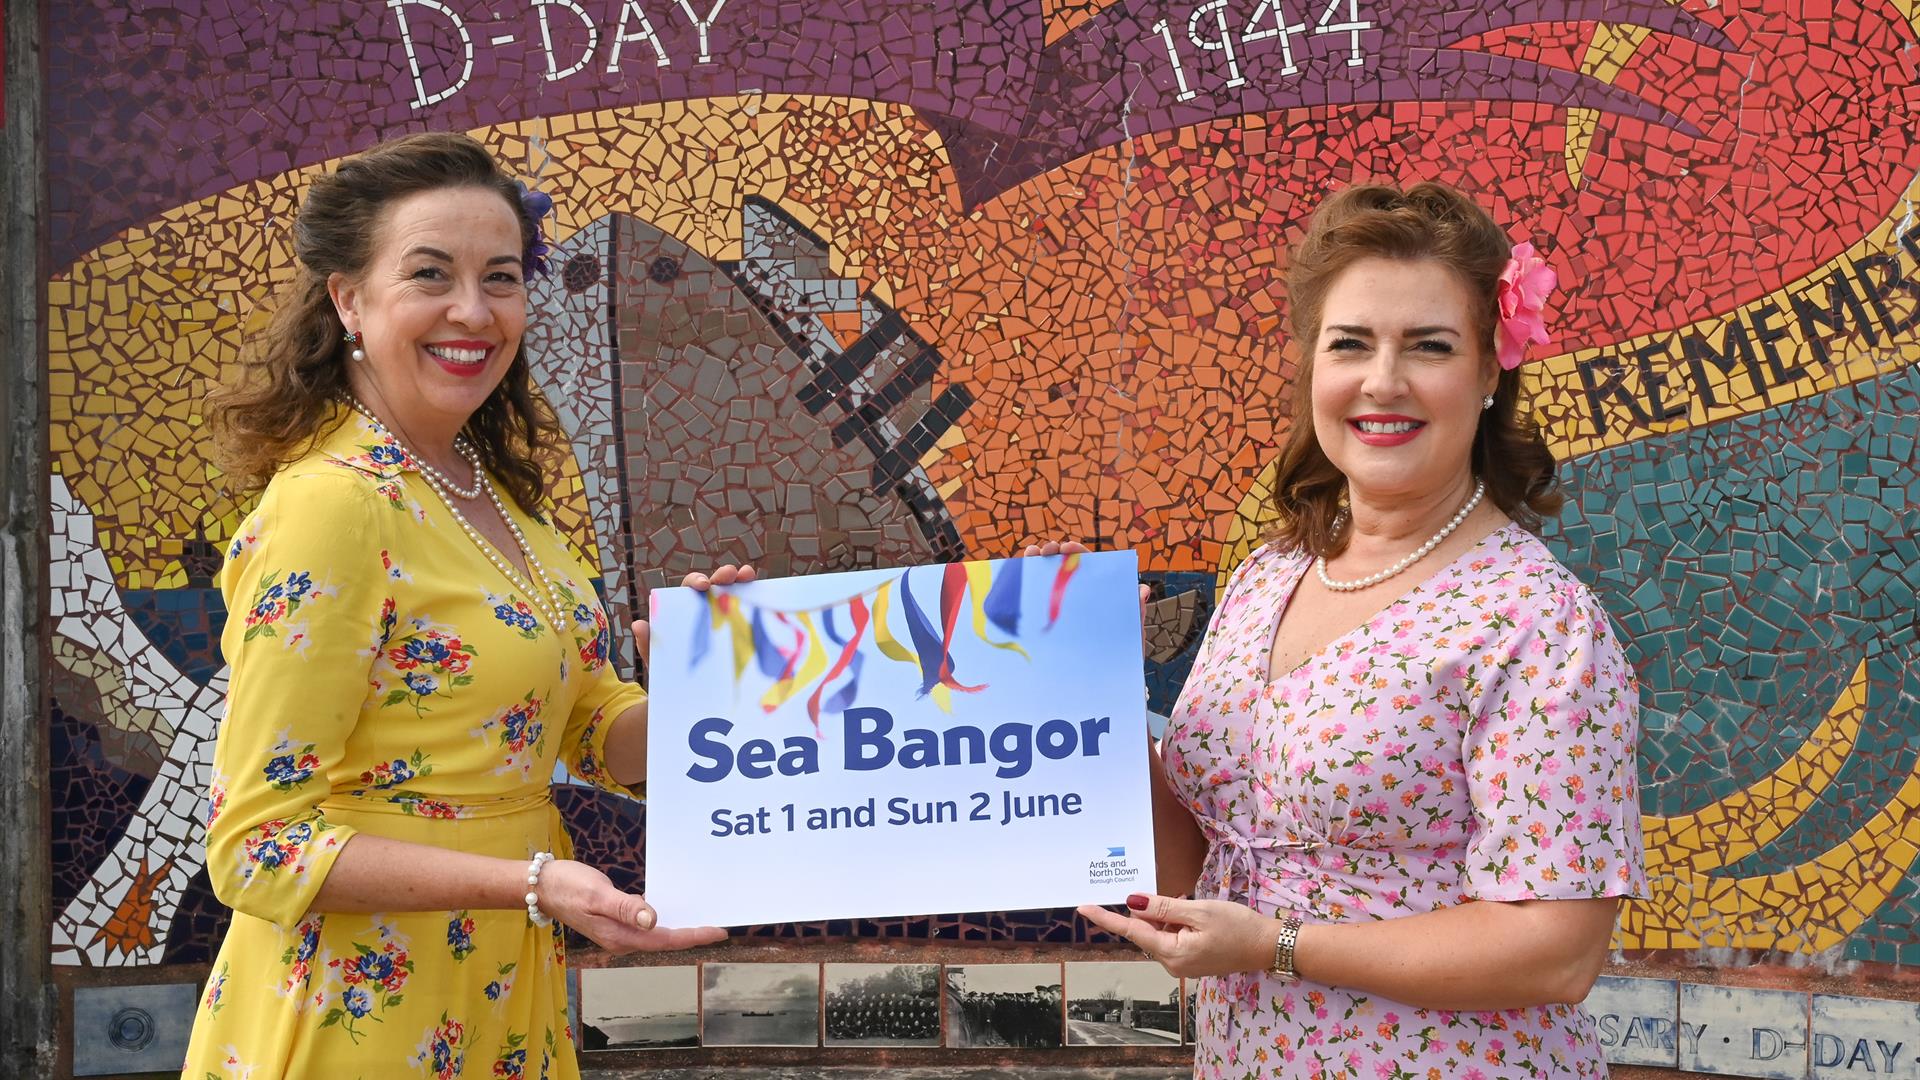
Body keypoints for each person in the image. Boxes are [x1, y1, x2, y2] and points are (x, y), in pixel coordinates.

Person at [183, 132, 746, 1077]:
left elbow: (581, 733)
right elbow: (259, 848)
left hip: (499, 995)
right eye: (431, 275)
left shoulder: (495, 492)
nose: (473, 311)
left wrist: (716, 689)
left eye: (502, 277)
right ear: (349, 299)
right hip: (360, 1015)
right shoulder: (334, 505)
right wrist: (532, 882)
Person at [1079, 182, 1646, 1078]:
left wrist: (1277, 946)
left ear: (1491, 371)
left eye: (1429, 346)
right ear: (1312, 365)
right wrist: (1083, 693)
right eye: (1351, 344)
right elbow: (1201, 856)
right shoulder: (1269, 577)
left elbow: (1557, 951)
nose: (1383, 381)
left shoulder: (1535, 623)